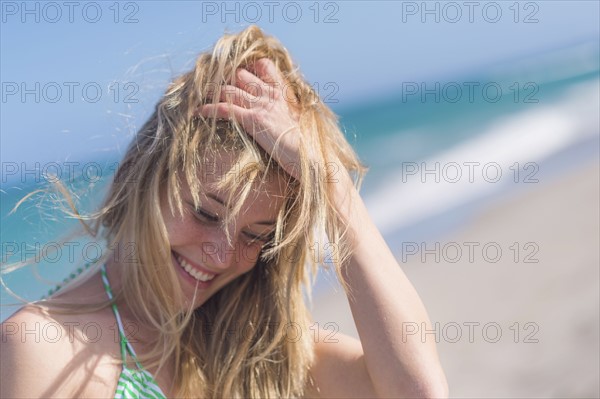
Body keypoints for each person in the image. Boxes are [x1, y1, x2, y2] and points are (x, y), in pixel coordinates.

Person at [1, 25, 448, 398]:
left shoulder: (250, 345)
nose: (220, 254)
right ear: (142, 172)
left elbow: (417, 390)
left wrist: (330, 185)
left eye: (255, 235)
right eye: (206, 214)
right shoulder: (44, 346)